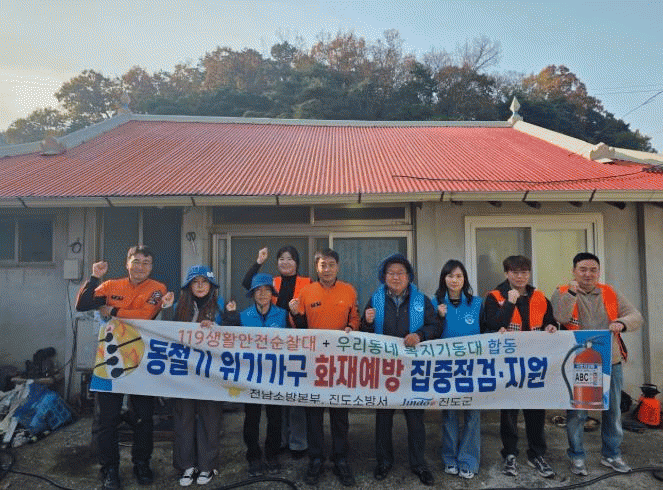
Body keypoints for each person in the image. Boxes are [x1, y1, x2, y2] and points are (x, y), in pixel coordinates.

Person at [76, 245, 172, 490]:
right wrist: (94, 277)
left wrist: (113, 310)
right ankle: (109, 470)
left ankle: (141, 463)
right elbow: (83, 304)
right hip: (109, 360)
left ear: (151, 266)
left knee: (143, 418)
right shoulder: (110, 286)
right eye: (136, 261)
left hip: (143, 360)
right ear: (127, 263)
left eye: (146, 262)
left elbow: (145, 314)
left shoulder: (158, 289)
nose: (140, 267)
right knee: (106, 420)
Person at [551, 252, 643, 476]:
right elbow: (560, 317)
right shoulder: (562, 292)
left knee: (612, 411)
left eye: (593, 270)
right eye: (583, 269)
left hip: (610, 361)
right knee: (578, 412)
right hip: (577, 361)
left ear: (599, 272)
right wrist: (572, 293)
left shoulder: (610, 292)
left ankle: (611, 454)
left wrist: (621, 322)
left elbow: (635, 315)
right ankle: (577, 456)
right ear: (574, 271)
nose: (588, 274)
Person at [361, 254, 441, 486]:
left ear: (409, 277)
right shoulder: (375, 299)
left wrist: (420, 335)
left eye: (400, 273)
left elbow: (435, 325)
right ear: (384, 277)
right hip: (384, 369)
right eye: (391, 273)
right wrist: (367, 322)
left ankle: (419, 464)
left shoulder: (421, 300)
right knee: (383, 418)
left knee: (415, 420)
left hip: (413, 370)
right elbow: (363, 334)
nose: (396, 277)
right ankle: (384, 462)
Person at [482, 255, 558, 479]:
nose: (520, 276)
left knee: (536, 410)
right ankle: (510, 454)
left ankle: (537, 454)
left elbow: (550, 320)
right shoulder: (495, 296)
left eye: (524, 272)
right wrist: (510, 303)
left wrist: (551, 326)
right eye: (515, 272)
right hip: (508, 364)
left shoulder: (540, 297)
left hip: (535, 364)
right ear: (506, 273)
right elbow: (492, 324)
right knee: (509, 411)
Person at [290, 248, 360, 487]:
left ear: (337, 266)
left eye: (331, 264)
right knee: (314, 414)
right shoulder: (306, 292)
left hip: (340, 362)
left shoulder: (349, 290)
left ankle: (341, 459)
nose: (327, 269)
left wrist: (352, 327)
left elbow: (355, 319)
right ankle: (316, 459)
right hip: (314, 362)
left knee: (340, 414)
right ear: (316, 268)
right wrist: (294, 313)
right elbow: (299, 327)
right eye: (322, 265)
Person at [242, 246, 310, 459]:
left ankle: (298, 443)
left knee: (295, 399)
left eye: (290, 259)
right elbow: (248, 283)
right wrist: (259, 262)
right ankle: (278, 441)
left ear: (297, 262)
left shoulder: (308, 283)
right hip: (271, 347)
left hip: (297, 343)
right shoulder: (272, 282)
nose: (285, 262)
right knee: (277, 401)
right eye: (281, 259)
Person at [225, 273, 288, 478]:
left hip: (275, 375)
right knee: (251, 417)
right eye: (258, 290)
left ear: (272, 293)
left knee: (275, 417)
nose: (262, 294)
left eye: (267, 290)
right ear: (252, 294)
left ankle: (272, 454)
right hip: (250, 375)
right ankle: (253, 455)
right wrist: (229, 317)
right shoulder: (243, 315)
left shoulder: (282, 315)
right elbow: (229, 339)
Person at [166, 265, 224, 487]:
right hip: (184, 372)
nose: (200, 286)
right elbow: (162, 333)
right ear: (188, 286)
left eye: (204, 282)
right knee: (184, 418)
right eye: (195, 282)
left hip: (211, 373)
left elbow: (233, 335)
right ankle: (186, 465)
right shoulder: (178, 307)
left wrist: (216, 327)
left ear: (211, 286)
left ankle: (207, 465)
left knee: (210, 418)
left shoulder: (220, 306)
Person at [432, 260, 482, 480]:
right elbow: (429, 334)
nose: (454, 280)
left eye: (459, 276)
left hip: (473, 367)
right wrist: (438, 317)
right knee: (449, 414)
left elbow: (487, 330)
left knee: (472, 415)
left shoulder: (476, 303)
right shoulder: (434, 303)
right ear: (444, 279)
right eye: (450, 276)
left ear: (465, 279)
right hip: (446, 367)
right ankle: (449, 458)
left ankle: (468, 460)